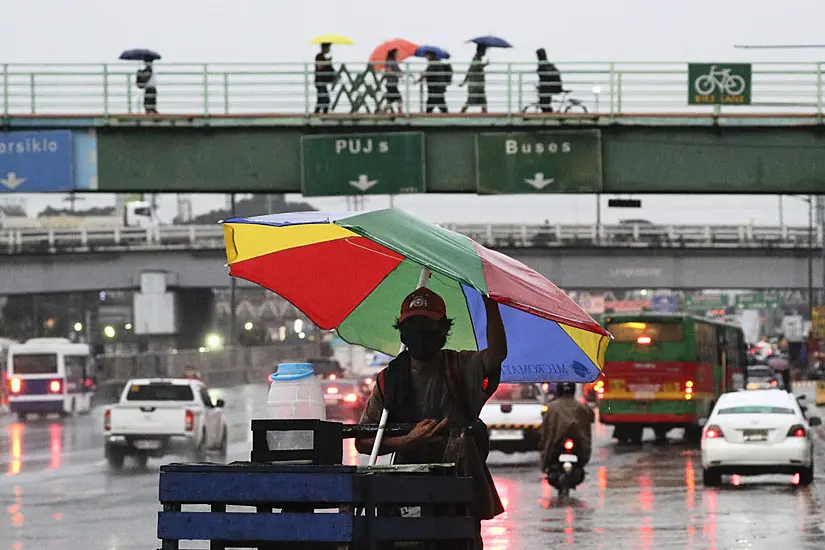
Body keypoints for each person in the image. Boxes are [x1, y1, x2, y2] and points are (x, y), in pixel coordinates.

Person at [355, 287, 508, 549]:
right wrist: (406, 441)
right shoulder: (389, 380)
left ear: (442, 331)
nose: (421, 335)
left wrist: (490, 303)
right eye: (413, 326)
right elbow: (364, 441)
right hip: (407, 488)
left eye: (428, 326)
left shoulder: (460, 367)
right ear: (402, 332)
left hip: (458, 486)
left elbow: (496, 354)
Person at [539, 382, 595, 489]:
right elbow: (591, 416)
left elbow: (545, 427)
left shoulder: (552, 407)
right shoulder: (581, 406)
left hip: (561, 444)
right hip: (569, 445)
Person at [460, 44, 488, 113]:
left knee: (483, 102)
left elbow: (469, 71)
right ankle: (461, 114)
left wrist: (464, 82)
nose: (485, 53)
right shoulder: (475, 59)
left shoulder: (478, 59)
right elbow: (476, 67)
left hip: (479, 85)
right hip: (475, 85)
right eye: (484, 51)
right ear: (481, 51)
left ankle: (485, 116)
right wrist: (485, 64)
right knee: (470, 100)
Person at [535, 48, 563, 113]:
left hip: (550, 87)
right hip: (553, 86)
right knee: (544, 101)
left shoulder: (543, 65)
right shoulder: (548, 64)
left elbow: (544, 76)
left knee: (544, 101)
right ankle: (549, 112)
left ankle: (549, 113)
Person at [314, 43, 335, 114]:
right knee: (324, 99)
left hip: (323, 81)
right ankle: (319, 113)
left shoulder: (324, 57)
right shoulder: (319, 56)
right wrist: (327, 61)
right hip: (319, 81)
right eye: (328, 47)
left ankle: (319, 113)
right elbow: (319, 66)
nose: (329, 49)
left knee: (322, 99)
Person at [382, 48, 404, 114]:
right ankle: (400, 111)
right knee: (399, 98)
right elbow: (388, 70)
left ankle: (384, 111)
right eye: (397, 53)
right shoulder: (390, 61)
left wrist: (400, 73)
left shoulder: (394, 62)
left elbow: (398, 71)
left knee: (390, 100)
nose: (398, 54)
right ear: (394, 53)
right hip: (391, 83)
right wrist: (397, 74)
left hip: (393, 83)